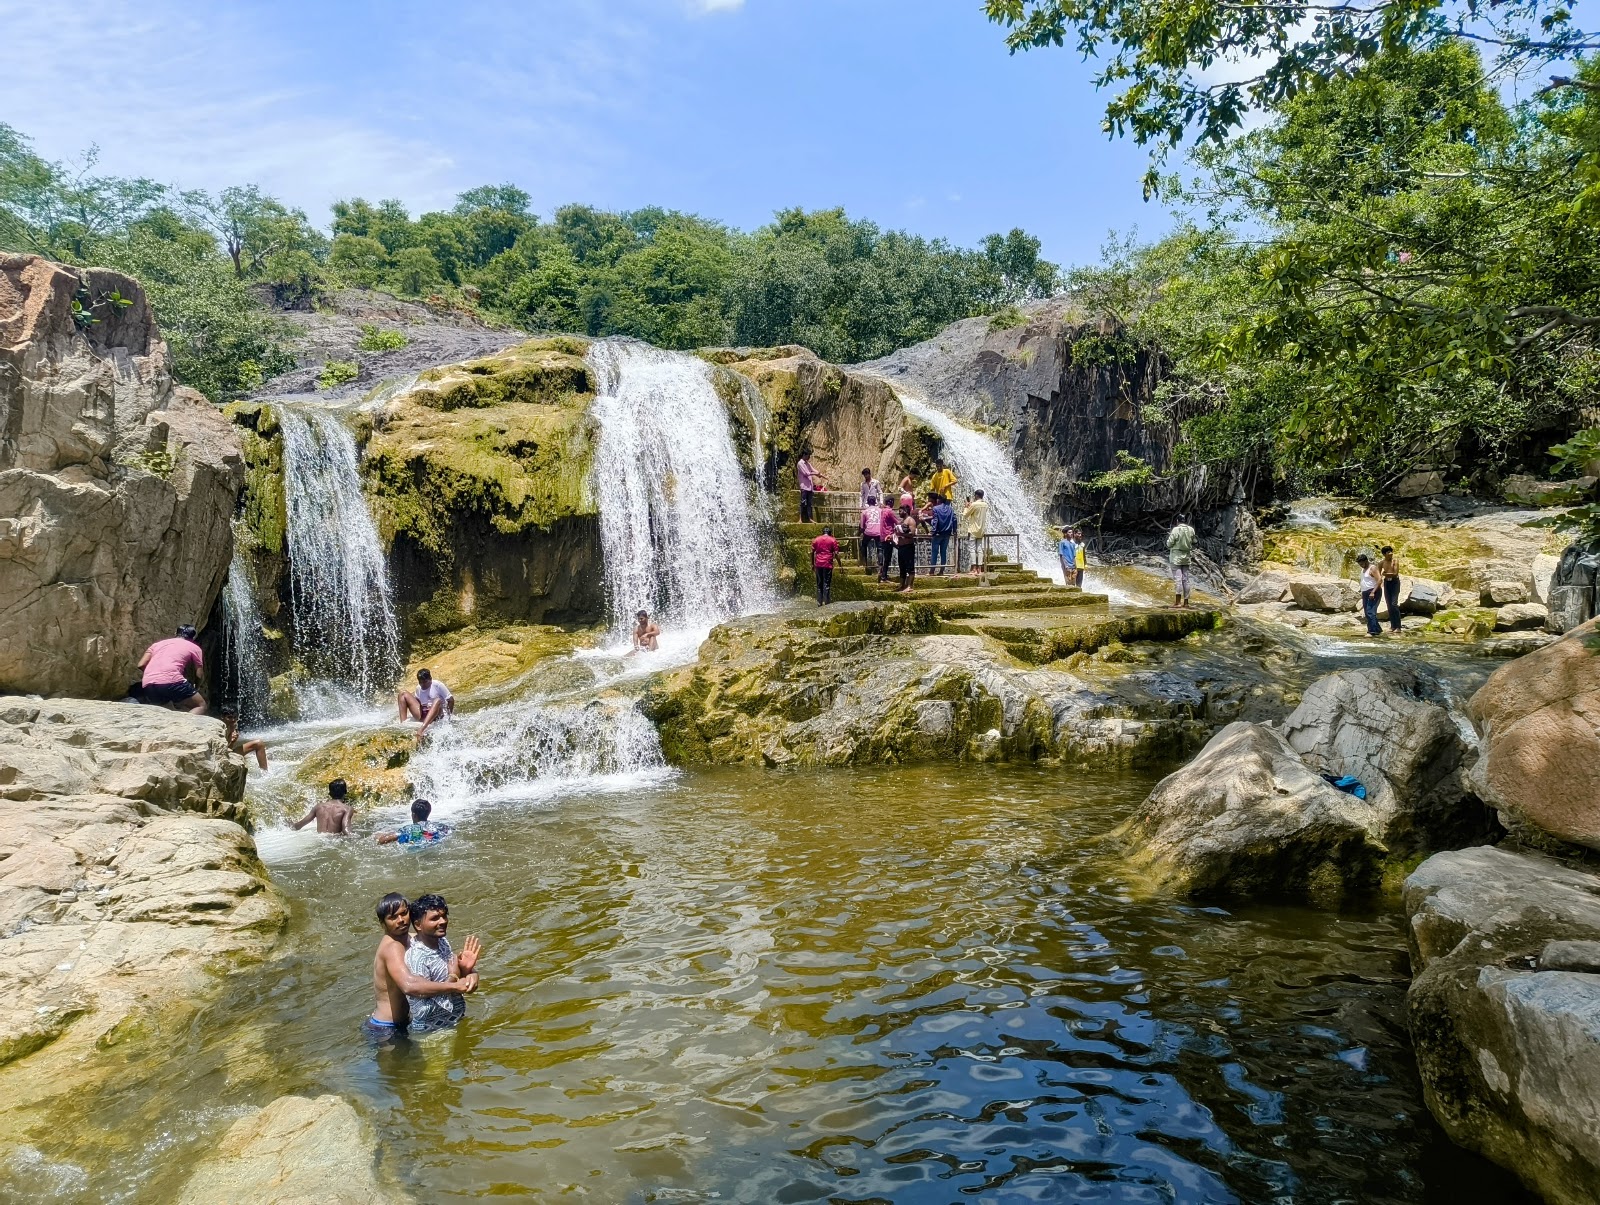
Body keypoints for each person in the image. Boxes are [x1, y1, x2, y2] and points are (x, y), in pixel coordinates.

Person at [369, 893, 479, 1034]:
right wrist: (454, 984)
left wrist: (469, 972)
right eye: (393, 917)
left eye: (404, 913)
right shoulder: (392, 948)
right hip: (385, 1027)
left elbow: (450, 965)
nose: (401, 920)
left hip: (408, 1021)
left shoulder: (415, 939)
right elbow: (410, 986)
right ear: (383, 923)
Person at [405, 893, 483, 1033]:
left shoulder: (442, 942)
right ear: (418, 925)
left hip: (454, 1022)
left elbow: (453, 980)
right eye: (435, 918)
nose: (443, 921)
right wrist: (454, 977)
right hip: (430, 1031)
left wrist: (468, 972)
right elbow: (422, 994)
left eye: (444, 915)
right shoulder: (417, 957)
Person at [137, 625, 207, 714]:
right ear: (192, 637)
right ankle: (185, 726)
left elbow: (141, 664)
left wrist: (154, 676)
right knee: (201, 705)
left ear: (175, 633)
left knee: (166, 711)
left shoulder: (157, 645)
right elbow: (199, 674)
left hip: (149, 684)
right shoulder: (194, 647)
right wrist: (196, 687)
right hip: (173, 682)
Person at [397, 669, 454, 743]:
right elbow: (418, 702)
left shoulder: (438, 685)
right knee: (403, 693)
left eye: (425, 682)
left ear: (430, 679)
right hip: (424, 713)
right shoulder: (418, 688)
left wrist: (448, 717)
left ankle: (422, 729)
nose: (422, 685)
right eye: (420, 682)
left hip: (437, 714)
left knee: (437, 700)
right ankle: (403, 724)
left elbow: (451, 700)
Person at [376, 798, 452, 846]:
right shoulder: (439, 827)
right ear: (428, 813)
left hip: (416, 850)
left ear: (413, 815)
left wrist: (378, 835)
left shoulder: (409, 829)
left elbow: (382, 840)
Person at [220, 706, 268, 771]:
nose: (233, 720)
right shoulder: (219, 729)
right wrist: (231, 742)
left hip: (229, 751)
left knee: (259, 743)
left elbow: (229, 749)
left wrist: (233, 741)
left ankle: (265, 771)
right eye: (229, 717)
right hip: (221, 755)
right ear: (222, 717)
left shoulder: (233, 725)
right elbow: (222, 751)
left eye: (234, 717)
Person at [1166, 514, 1197, 608]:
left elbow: (1169, 543)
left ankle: (1178, 603)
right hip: (1186, 557)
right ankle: (1186, 603)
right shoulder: (1191, 530)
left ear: (1177, 521)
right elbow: (1194, 541)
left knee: (1178, 580)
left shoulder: (1176, 530)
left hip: (1176, 558)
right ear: (1185, 521)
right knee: (1186, 580)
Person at [930, 493, 957, 576]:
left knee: (934, 552)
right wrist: (954, 530)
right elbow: (954, 519)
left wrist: (933, 531)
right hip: (947, 534)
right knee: (943, 552)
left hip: (938, 534)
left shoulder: (935, 508)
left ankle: (932, 571)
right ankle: (942, 571)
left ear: (939, 500)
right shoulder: (950, 509)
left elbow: (935, 521)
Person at [963, 490, 990, 575]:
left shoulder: (974, 504)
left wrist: (966, 507)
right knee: (980, 549)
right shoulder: (985, 505)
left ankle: (974, 569)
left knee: (972, 549)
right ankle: (980, 569)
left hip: (973, 530)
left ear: (976, 496)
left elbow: (965, 515)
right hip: (981, 530)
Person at [1378, 544, 1403, 632]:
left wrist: (1385, 574)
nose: (1391, 553)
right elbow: (1378, 574)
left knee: (1394, 604)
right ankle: (1393, 626)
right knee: (1389, 604)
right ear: (1384, 554)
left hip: (1395, 582)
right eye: (1388, 552)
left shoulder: (1395, 561)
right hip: (1387, 583)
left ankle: (1398, 627)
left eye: (1391, 552)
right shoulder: (1381, 563)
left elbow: (1395, 573)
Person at [1358, 553, 1384, 637]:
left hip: (1373, 591)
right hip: (1365, 592)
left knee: (1370, 611)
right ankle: (1377, 629)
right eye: (1359, 564)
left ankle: (1372, 631)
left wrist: (1373, 592)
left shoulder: (1372, 568)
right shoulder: (1363, 569)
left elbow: (1379, 580)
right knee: (1367, 612)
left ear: (1366, 561)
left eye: (1362, 563)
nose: (1361, 565)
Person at [811, 525, 839, 605]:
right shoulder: (832, 540)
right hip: (827, 564)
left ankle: (819, 601)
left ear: (822, 532)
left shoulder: (816, 539)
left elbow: (812, 552)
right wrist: (840, 565)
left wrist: (812, 564)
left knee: (819, 583)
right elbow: (836, 554)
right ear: (830, 533)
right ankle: (826, 602)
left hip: (818, 564)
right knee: (826, 583)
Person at [894, 506, 918, 593]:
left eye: (900, 511)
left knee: (910, 567)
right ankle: (901, 585)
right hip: (901, 547)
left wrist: (902, 534)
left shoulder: (910, 520)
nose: (899, 513)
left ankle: (910, 586)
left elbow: (912, 534)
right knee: (902, 567)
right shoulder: (902, 521)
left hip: (908, 546)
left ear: (905, 511)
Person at [875, 498, 898, 583]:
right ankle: (884, 576)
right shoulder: (890, 512)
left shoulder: (882, 511)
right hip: (889, 536)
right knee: (888, 557)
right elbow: (898, 522)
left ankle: (881, 570)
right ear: (891, 503)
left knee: (883, 554)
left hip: (882, 536)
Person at [797, 453, 819, 523]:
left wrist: (819, 473)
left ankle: (810, 519)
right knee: (803, 503)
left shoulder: (807, 463)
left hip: (810, 487)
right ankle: (800, 519)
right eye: (808, 456)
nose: (809, 457)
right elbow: (806, 473)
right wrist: (815, 474)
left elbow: (812, 469)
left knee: (809, 503)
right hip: (804, 486)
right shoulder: (800, 464)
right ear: (804, 455)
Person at [860, 495, 880, 569]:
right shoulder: (880, 510)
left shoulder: (864, 512)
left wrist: (861, 532)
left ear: (867, 502)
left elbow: (862, 527)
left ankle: (865, 563)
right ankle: (880, 564)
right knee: (880, 548)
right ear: (875, 502)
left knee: (864, 545)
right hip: (878, 532)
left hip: (868, 532)